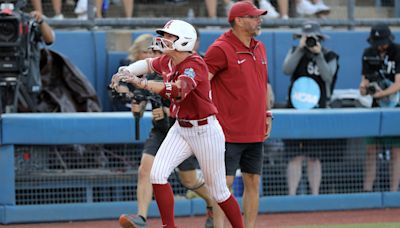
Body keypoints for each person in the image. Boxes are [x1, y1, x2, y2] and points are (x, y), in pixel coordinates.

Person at [110, 19, 244, 228]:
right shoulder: (167, 60)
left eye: (169, 36)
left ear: (183, 41)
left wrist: (143, 83)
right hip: (181, 128)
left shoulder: (195, 64)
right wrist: (127, 71)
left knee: (218, 191)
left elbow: (178, 89)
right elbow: (147, 64)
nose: (164, 39)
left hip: (205, 130)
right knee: (156, 174)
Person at [117, 34, 215, 228]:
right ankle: (141, 218)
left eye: (156, 51)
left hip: (181, 130)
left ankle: (212, 203)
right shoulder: (150, 75)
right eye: (152, 52)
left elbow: (184, 101)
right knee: (145, 169)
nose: (154, 55)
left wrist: (165, 111)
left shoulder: (184, 71)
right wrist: (138, 108)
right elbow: (143, 100)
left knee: (189, 180)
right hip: (160, 131)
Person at [204, 2, 272, 227]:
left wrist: (266, 113)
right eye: (254, 17)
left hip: (254, 129)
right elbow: (202, 84)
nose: (258, 20)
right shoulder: (220, 48)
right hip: (227, 131)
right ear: (239, 20)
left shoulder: (259, 47)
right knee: (224, 185)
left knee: (253, 181)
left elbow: (261, 84)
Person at [282, 21, 339, 195]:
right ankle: (292, 196)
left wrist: (319, 54)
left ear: (320, 38)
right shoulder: (295, 52)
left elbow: (328, 77)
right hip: (295, 110)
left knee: (314, 158)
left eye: (313, 38)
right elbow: (286, 69)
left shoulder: (330, 55)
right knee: (295, 157)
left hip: (317, 111)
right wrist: (300, 49)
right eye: (307, 37)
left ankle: (315, 196)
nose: (310, 41)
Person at [359, 23, 400, 192]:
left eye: (382, 42)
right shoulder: (368, 53)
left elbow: (398, 84)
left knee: (396, 151)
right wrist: (364, 89)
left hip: (395, 106)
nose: (380, 46)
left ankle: (393, 191)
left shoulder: (397, 51)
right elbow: (364, 82)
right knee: (371, 149)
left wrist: (381, 94)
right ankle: (367, 190)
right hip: (375, 108)